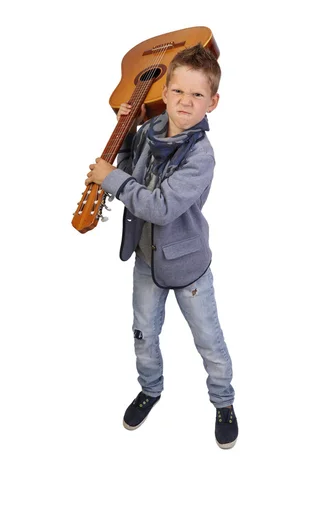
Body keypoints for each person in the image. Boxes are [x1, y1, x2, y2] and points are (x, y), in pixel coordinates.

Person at [85, 43, 238, 449]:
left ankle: (223, 401)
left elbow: (161, 206)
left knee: (209, 339)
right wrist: (126, 132)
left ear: (213, 101)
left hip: (188, 267)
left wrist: (110, 179)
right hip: (146, 261)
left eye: (197, 95)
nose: (186, 102)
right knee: (143, 333)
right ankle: (150, 389)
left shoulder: (201, 155)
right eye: (178, 92)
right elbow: (131, 168)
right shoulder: (151, 131)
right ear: (164, 92)